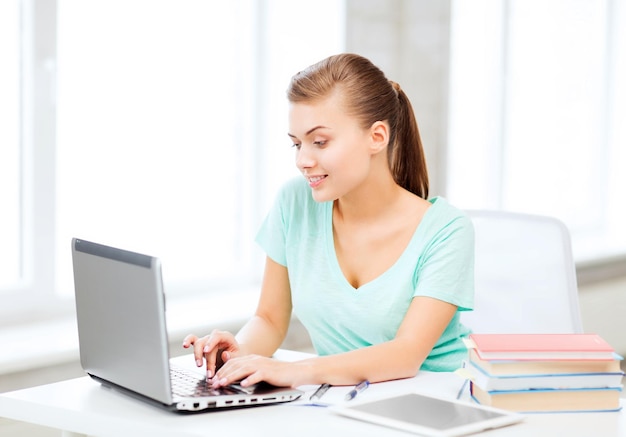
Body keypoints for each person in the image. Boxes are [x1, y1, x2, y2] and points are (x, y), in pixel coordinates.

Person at [183, 53, 474, 389]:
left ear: (377, 137)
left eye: (319, 142)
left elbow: (405, 354)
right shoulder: (294, 203)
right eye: (296, 144)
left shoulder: (447, 230)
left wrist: (295, 371)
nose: (303, 160)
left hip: (437, 400)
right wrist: (239, 354)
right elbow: (270, 319)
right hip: (343, 403)